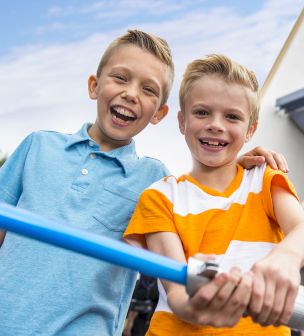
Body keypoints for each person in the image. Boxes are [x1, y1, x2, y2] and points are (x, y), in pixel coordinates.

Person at [0, 30, 288, 336]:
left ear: (160, 114)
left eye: (148, 89)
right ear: (94, 86)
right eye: (120, 78)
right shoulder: (38, 146)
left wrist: (236, 164)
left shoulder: (154, 180)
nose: (131, 94)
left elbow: (201, 189)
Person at [123, 54, 304, 335]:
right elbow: (177, 295)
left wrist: (286, 257)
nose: (216, 124)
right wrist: (196, 307)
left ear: (251, 129)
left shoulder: (264, 180)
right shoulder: (160, 197)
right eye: (202, 112)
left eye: (232, 116)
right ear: (182, 121)